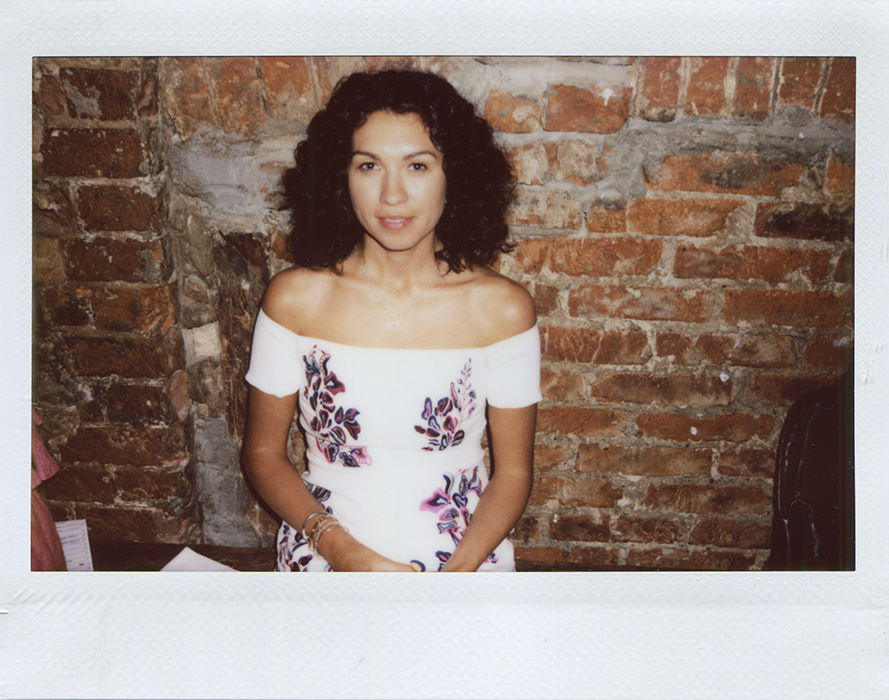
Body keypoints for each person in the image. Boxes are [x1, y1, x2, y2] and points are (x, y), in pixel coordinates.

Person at [241, 69, 541, 572]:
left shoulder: (502, 310)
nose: (392, 195)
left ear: (454, 175)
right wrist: (340, 550)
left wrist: (454, 577)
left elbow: (513, 473)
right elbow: (263, 453)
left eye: (417, 166)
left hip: (465, 558)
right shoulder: (295, 299)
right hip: (324, 548)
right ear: (341, 177)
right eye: (369, 165)